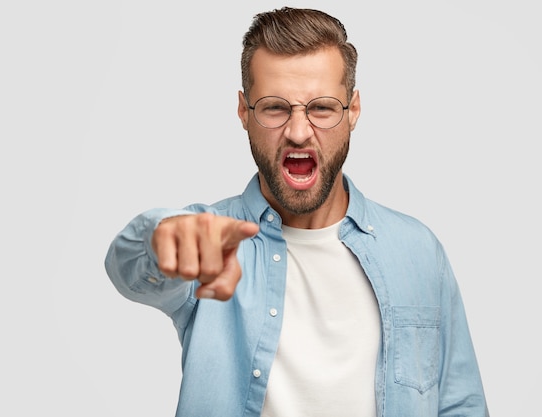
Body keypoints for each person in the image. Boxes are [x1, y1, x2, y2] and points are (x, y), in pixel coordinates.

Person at [105, 7, 489, 417]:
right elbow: (129, 268)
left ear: (353, 110)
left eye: (321, 108)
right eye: (275, 108)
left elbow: (460, 404)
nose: (299, 131)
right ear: (243, 113)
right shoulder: (210, 239)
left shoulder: (417, 251)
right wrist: (161, 236)